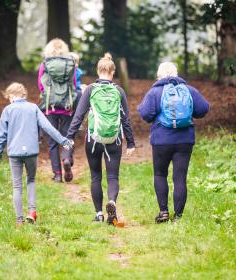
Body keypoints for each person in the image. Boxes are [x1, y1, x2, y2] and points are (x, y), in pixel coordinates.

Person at [67, 53, 135, 225]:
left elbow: (79, 115)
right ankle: (111, 201)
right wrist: (131, 143)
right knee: (113, 176)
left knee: (95, 176)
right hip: (114, 139)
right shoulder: (119, 91)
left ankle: (98, 214)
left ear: (98, 71)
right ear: (113, 72)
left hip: (94, 139)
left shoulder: (90, 90)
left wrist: (69, 137)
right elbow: (125, 119)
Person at [137, 62, 209, 223]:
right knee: (180, 178)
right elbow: (204, 108)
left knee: (160, 174)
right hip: (185, 140)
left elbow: (146, 114)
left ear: (159, 75)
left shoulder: (155, 92)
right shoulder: (189, 90)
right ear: (176, 74)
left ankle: (163, 212)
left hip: (161, 140)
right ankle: (178, 217)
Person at [0, 82, 73, 227]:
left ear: (11, 96)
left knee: (17, 186)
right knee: (31, 180)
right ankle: (32, 213)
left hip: (14, 153)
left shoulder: (8, 110)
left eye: (8, 97)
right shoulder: (33, 108)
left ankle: (19, 220)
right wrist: (63, 140)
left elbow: (2, 135)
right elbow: (48, 127)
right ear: (23, 94)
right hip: (31, 152)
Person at [37, 38, 77, 183]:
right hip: (67, 106)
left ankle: (58, 174)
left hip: (50, 107)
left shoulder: (45, 64)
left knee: (53, 142)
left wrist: (46, 96)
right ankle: (66, 157)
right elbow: (73, 84)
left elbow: (40, 85)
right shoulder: (70, 63)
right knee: (68, 136)